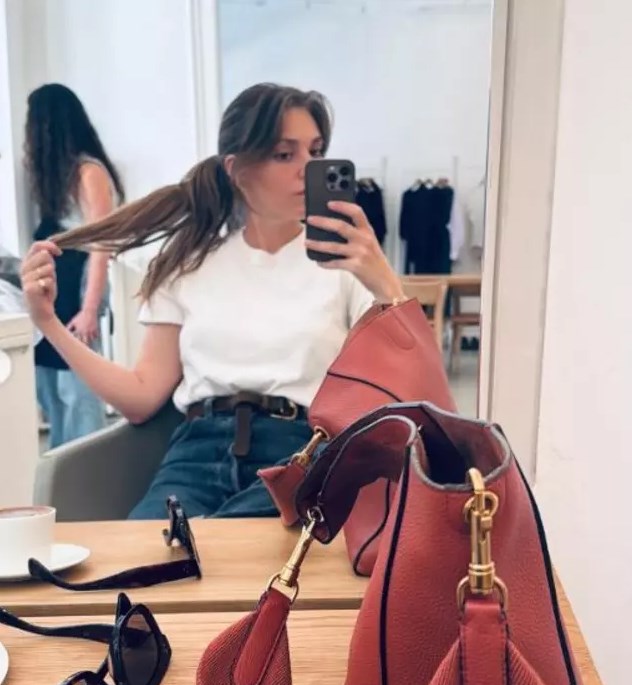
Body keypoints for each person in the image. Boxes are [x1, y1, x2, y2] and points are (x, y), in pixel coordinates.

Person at [20, 83, 405, 519]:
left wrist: (384, 281)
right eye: (285, 154)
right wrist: (48, 322)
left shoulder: (347, 264)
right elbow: (141, 397)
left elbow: (405, 387)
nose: (308, 168)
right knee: (143, 550)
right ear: (237, 170)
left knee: (229, 551)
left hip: (299, 454)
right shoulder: (188, 262)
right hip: (194, 455)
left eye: (316, 152)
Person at [24, 83, 125, 448]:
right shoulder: (53, 176)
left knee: (79, 390)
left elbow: (102, 244)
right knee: (52, 390)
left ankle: (85, 472)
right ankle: (61, 470)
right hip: (57, 283)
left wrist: (89, 308)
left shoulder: (88, 171)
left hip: (80, 285)